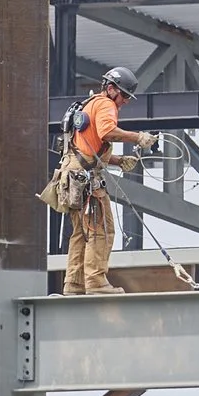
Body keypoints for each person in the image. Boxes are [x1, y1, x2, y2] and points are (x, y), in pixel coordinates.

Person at [61, 65, 150, 294]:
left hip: (73, 176)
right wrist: (137, 137)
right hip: (86, 181)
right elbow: (107, 132)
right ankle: (96, 283)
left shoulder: (89, 105)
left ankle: (74, 284)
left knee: (81, 233)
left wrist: (118, 160)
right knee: (102, 230)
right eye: (124, 96)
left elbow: (87, 149)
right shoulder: (106, 104)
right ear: (111, 89)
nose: (125, 102)